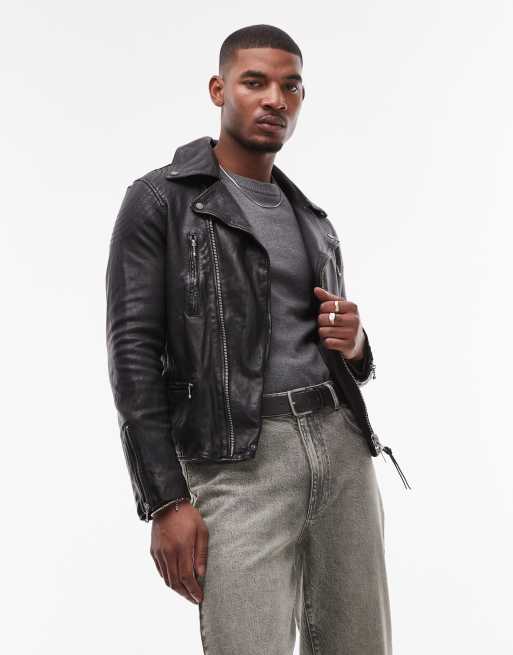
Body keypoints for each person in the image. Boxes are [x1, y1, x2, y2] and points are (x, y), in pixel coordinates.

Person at [106, 23, 410, 655]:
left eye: (291, 87)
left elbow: (329, 347)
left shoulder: (313, 221)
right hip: (239, 463)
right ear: (219, 90)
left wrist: (357, 344)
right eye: (255, 82)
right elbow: (132, 355)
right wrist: (165, 500)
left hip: (342, 450)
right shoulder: (160, 201)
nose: (275, 99)